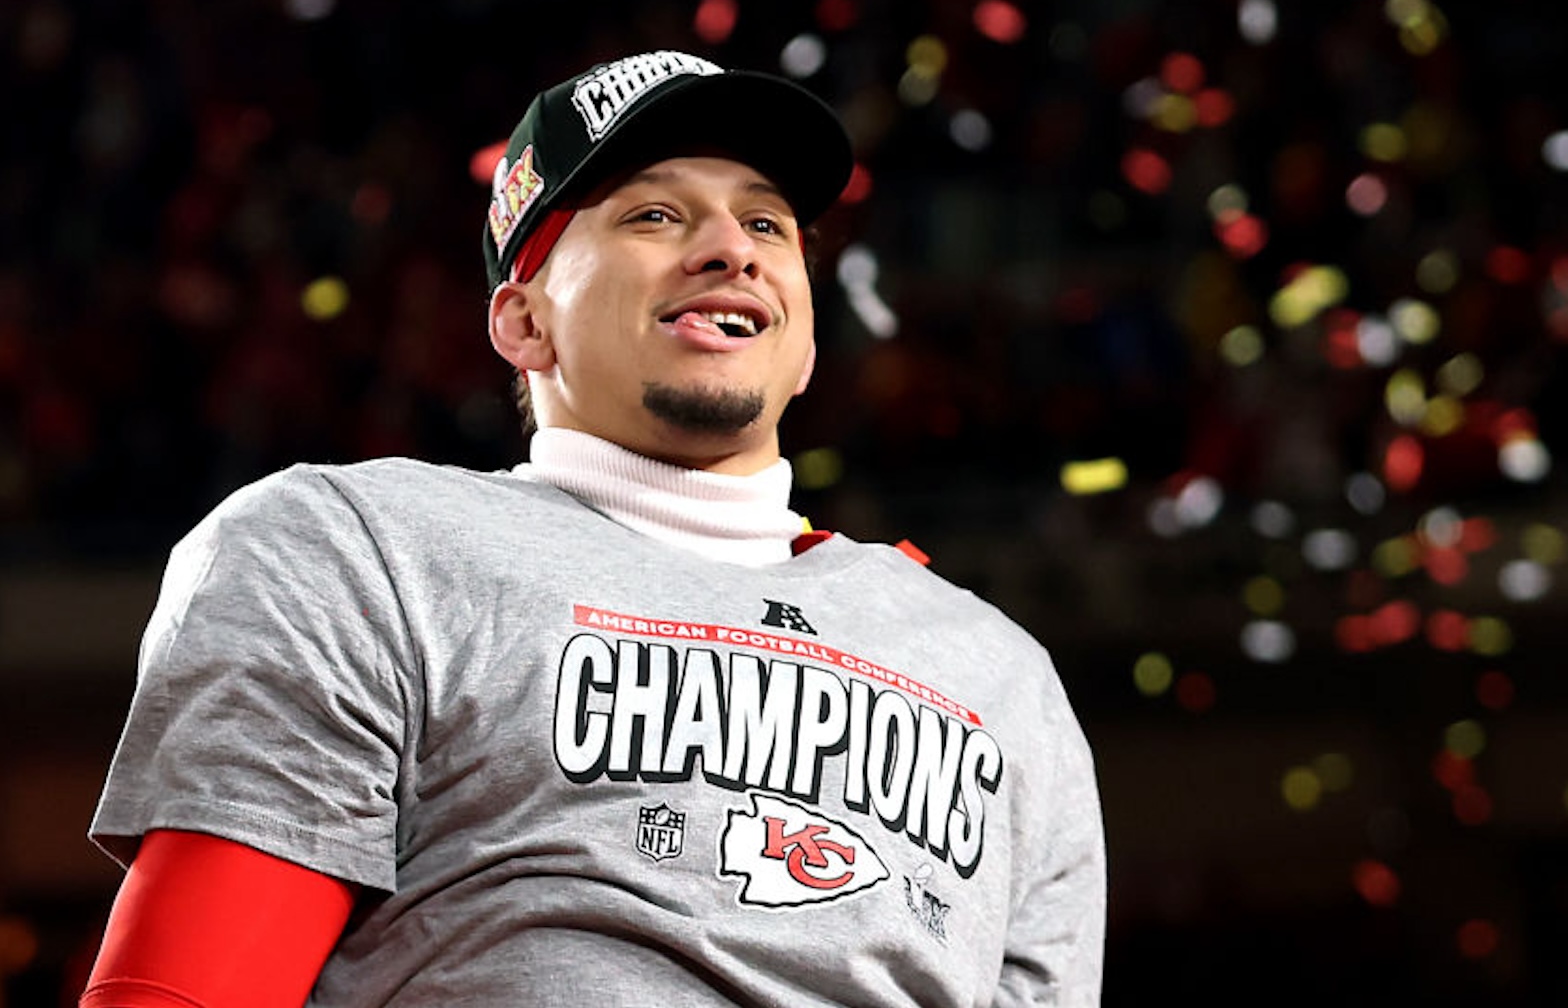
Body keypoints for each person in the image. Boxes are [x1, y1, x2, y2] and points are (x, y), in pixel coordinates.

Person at [82, 50, 1107, 1007]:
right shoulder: (357, 549)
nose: (728, 251)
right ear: (523, 320)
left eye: (766, 225)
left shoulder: (998, 675)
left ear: (799, 344)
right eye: (655, 215)